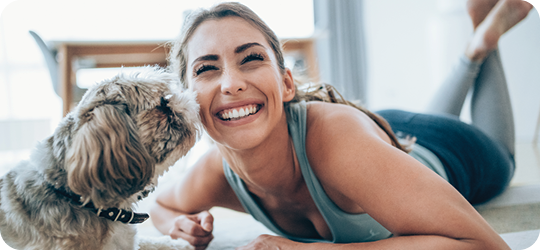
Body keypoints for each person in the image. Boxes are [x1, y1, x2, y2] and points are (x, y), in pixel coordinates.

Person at [150, 0, 534, 249]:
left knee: (504, 159)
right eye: (206, 68)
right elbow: (162, 206)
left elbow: (484, 245)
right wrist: (180, 228)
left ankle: (482, 43)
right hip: (389, 130)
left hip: (453, 151)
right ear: (187, 99)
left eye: (250, 58)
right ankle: (474, 47)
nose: (230, 82)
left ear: (286, 84)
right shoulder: (216, 171)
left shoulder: (336, 141)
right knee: (414, 129)